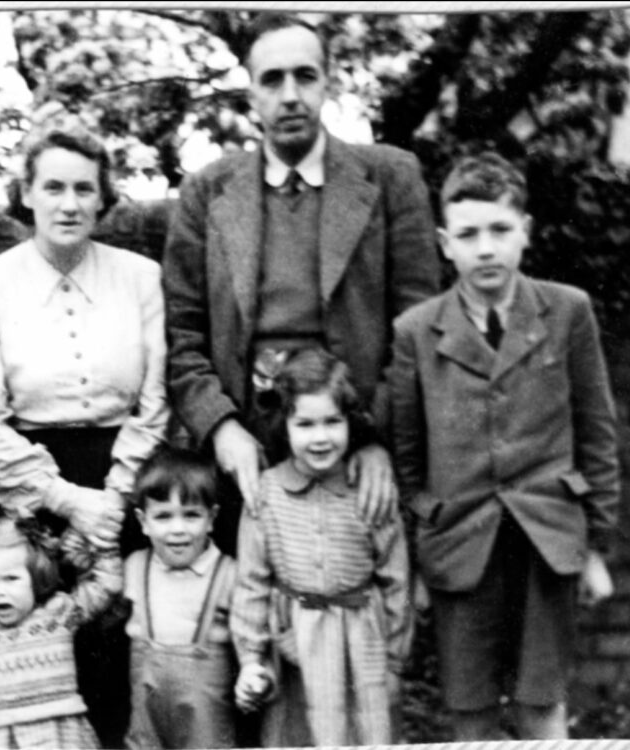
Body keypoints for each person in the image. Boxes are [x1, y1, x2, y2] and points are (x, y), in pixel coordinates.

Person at [163, 12, 440, 552]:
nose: (290, 95)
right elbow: (183, 334)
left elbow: (417, 331)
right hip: (247, 447)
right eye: (272, 80)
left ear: (327, 83)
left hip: (351, 444)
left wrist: (374, 441)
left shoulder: (390, 177)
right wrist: (221, 429)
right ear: (251, 97)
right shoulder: (207, 191)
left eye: (305, 76)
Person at [0, 126, 168, 746]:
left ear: (103, 198)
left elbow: (155, 400)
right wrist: (67, 501)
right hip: (29, 488)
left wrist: (114, 502)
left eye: (84, 189)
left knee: (116, 664)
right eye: (53, 187)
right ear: (27, 194)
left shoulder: (141, 277)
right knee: (30, 662)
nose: (69, 203)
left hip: (126, 478)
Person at [388, 152, 620, 740]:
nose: (485, 249)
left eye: (499, 230)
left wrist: (596, 546)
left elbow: (597, 431)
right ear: (445, 243)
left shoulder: (568, 312)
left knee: (541, 703)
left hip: (548, 538)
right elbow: (407, 456)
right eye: (468, 234)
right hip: (460, 543)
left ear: (526, 232)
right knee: (470, 712)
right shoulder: (417, 331)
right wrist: (420, 558)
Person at [231, 347, 412, 746]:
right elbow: (251, 586)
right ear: (285, 425)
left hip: (361, 649)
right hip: (296, 647)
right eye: (306, 424)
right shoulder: (267, 494)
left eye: (332, 421)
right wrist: (251, 659)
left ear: (349, 422)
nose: (320, 437)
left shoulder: (368, 492)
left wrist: (395, 663)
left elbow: (396, 580)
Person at [0, 516, 123, 749]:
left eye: (11, 578)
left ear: (35, 576)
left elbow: (106, 587)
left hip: (58, 736)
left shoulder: (59, 613)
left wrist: (105, 547)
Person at [123, 447, 238, 749]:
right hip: (147, 716)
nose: (177, 529)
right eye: (163, 516)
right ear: (143, 520)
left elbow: (252, 635)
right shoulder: (134, 567)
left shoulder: (228, 573)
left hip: (206, 721)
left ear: (211, 518)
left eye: (191, 515)